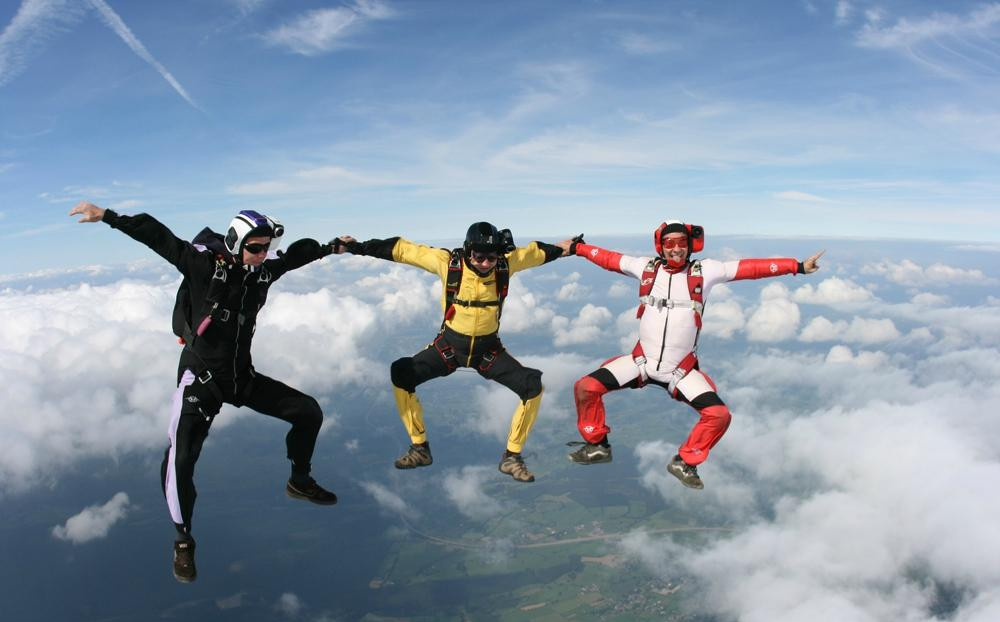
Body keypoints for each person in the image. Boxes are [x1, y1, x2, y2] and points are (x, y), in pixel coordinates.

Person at [70, 201, 341, 583]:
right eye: (255, 248)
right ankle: (183, 540)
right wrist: (109, 217)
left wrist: (332, 246)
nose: (262, 256)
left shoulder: (260, 271)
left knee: (308, 412)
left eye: (265, 248)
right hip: (200, 379)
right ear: (235, 243)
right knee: (181, 460)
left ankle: (299, 480)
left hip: (239, 378)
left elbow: (294, 257)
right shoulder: (203, 266)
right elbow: (158, 236)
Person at [566, 220, 823, 489]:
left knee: (719, 415)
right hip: (642, 362)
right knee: (586, 387)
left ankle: (685, 462)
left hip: (680, 370)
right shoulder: (645, 268)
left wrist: (798, 267)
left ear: (690, 246)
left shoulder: (705, 272)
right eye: (669, 243)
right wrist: (578, 248)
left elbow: (751, 268)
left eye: (681, 243)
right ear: (660, 246)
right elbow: (608, 259)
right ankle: (597, 446)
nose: (675, 249)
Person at [337, 223, 576, 482]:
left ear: (499, 254)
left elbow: (538, 253)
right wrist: (357, 247)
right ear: (467, 251)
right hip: (449, 348)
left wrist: (567, 248)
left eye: (491, 257)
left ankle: (512, 457)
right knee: (401, 373)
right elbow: (403, 250)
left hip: (488, 352)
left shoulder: (507, 263)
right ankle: (420, 448)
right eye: (479, 256)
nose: (485, 263)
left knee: (532, 385)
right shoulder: (449, 263)